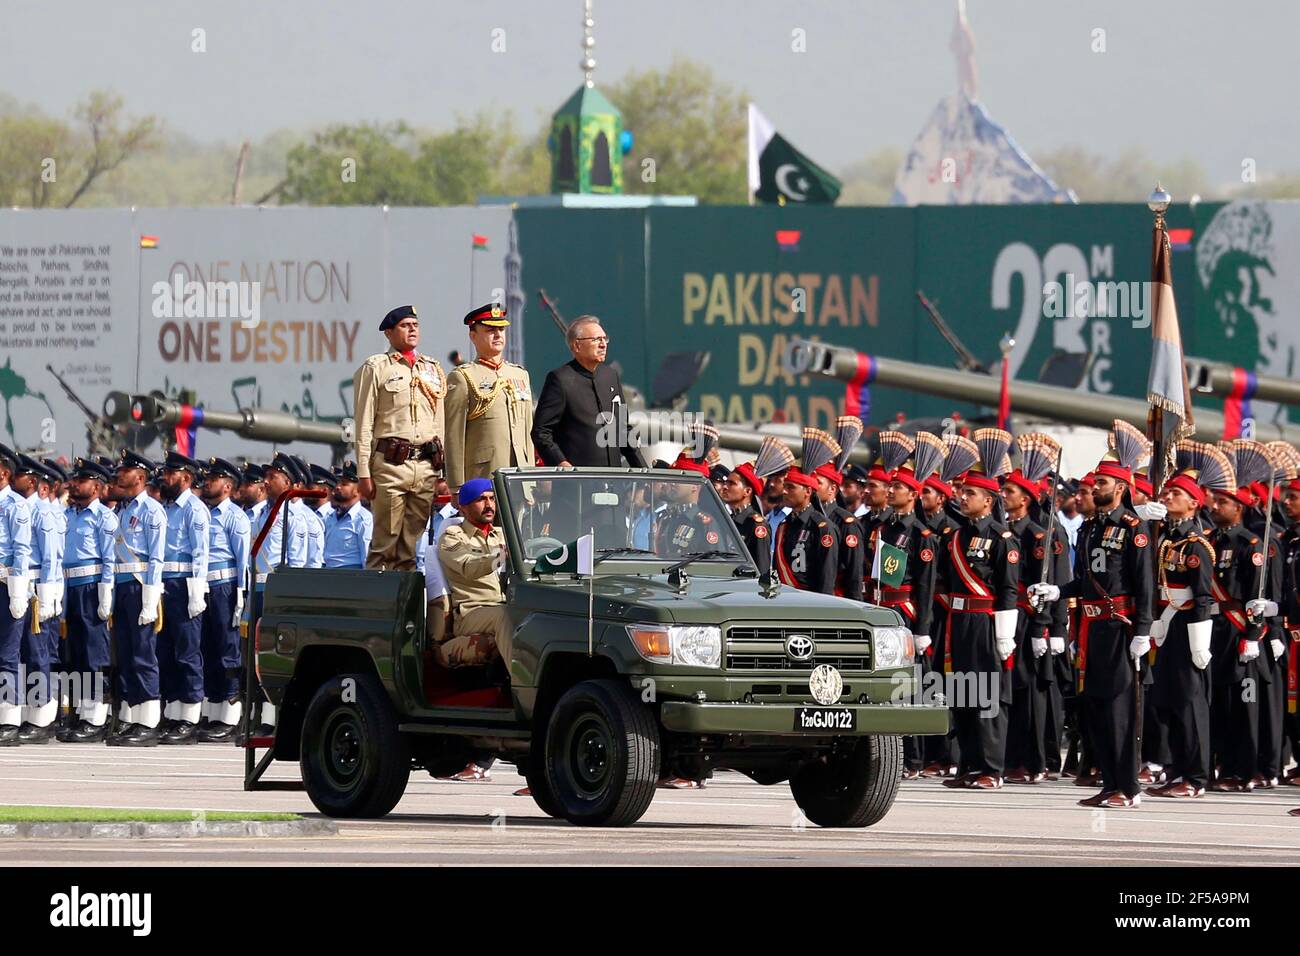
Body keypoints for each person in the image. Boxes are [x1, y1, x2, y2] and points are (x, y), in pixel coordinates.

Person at [1029, 450, 1153, 809]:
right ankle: (1109, 781)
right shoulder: (1091, 527)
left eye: (1101, 483)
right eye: (1095, 482)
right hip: (1091, 627)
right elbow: (1084, 580)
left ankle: (1128, 788)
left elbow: (1144, 584)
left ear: (1120, 487)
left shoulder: (1134, 528)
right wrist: (1056, 591)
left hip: (1120, 627)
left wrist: (1142, 631)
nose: (1095, 487)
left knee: (1119, 709)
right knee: (1096, 707)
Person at [934, 434, 1019, 791]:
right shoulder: (953, 537)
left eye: (970, 494)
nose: (962, 497)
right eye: (962, 492)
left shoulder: (1002, 539)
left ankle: (991, 767)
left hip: (986, 622)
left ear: (988, 500)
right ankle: (967, 763)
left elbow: (1009, 588)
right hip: (958, 622)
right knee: (962, 693)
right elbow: (939, 579)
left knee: (988, 697)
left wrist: (1004, 634)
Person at [1144, 460, 1218, 799]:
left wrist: (1200, 643)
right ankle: (1176, 768)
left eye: (1177, 493)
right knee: (1167, 701)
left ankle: (1197, 776)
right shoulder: (1165, 539)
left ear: (1194, 503)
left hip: (1188, 627)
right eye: (1168, 491)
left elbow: (1203, 596)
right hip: (1167, 628)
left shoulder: (1196, 546)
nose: (1169, 496)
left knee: (1190, 703)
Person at [354, 304, 447, 570]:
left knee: (410, 547)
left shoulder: (432, 368)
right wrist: (363, 472)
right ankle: (378, 608)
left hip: (425, 465)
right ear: (389, 333)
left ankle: (405, 608)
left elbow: (438, 423)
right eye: (405, 326)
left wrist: (441, 470)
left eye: (415, 325)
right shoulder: (376, 367)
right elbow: (364, 424)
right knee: (384, 544)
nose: (412, 330)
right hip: (391, 464)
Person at [106, 451, 168, 747]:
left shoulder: (152, 510)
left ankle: (149, 721)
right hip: (121, 585)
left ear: (141, 477)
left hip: (139, 585)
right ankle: (132, 716)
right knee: (127, 654)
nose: (120, 474)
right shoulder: (122, 510)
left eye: (126, 470)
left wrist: (150, 595)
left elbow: (156, 556)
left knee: (144, 654)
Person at [531, 315, 646, 469]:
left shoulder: (610, 376)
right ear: (577, 345)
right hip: (578, 483)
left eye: (605, 339)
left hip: (613, 481)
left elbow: (622, 429)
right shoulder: (560, 380)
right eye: (596, 339)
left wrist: (643, 469)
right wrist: (562, 464)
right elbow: (541, 432)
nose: (603, 344)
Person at [444, 303, 535, 493]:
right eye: (490, 330)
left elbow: (528, 432)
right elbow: (454, 436)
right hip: (483, 478)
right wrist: (456, 487)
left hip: (521, 478)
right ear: (473, 336)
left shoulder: (520, 375)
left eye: (501, 329)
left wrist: (531, 477)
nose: (498, 335)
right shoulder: (463, 376)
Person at [58, 459, 117, 742]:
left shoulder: (104, 518)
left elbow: (109, 558)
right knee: (75, 653)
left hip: (91, 587)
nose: (73, 485)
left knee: (94, 653)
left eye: (80, 481)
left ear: (96, 487)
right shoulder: (68, 515)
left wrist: (106, 590)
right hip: (70, 587)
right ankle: (81, 712)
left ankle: (96, 717)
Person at [154, 452, 210, 745]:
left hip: (185, 583)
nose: (165, 478)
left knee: (187, 652)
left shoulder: (194, 510)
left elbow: (201, 552)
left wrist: (197, 590)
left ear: (186, 478)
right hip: (165, 583)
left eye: (171, 473)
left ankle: (190, 716)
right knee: (166, 651)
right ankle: (174, 712)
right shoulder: (166, 508)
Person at [195, 457, 251, 743]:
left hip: (226, 588)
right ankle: (213, 710)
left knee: (228, 650)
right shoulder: (205, 514)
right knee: (208, 649)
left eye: (214, 479)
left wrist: (242, 594)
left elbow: (243, 561)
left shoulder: (235, 517)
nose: (207, 482)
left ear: (228, 486)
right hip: (205, 587)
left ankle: (229, 716)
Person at [13, 456, 64, 743]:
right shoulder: (19, 509)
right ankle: (23, 713)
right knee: (18, 655)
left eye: (19, 475)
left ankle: (42, 717)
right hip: (21, 586)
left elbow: (51, 557)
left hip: (36, 590)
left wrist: (48, 596)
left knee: (37, 653)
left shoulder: (42, 513)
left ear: (32, 481)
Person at [437, 478, 512, 671]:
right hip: (471, 612)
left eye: (492, 499)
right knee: (505, 615)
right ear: (463, 507)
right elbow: (468, 567)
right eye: (481, 500)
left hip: (507, 604)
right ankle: (522, 686)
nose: (489, 505)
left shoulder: (504, 534)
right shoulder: (452, 536)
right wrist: (501, 556)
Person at [0, 444, 33, 746]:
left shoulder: (15, 505)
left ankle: (9, 719)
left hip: (5, 584)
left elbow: (21, 549)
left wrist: (17, 590)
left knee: (8, 654)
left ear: (4, 472)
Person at [773, 467, 837, 594]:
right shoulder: (784, 525)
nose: (784, 491)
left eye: (790, 487)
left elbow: (827, 577)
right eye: (784, 486)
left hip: (810, 601)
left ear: (807, 491)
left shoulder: (821, 527)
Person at [813, 463, 864, 601]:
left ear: (832, 489)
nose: (812, 486)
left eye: (818, 482)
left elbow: (854, 573)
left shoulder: (846, 523)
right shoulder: (811, 519)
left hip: (836, 598)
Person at [721, 463, 770, 576]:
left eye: (732, 483)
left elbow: (762, 569)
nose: (725, 487)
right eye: (725, 482)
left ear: (747, 491)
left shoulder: (756, 525)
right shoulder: (729, 519)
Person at [323, 462, 372, 569]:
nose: (338, 487)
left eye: (344, 484)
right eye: (338, 483)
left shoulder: (364, 519)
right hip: (327, 572)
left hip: (350, 575)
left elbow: (366, 558)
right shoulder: (331, 517)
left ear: (358, 490)